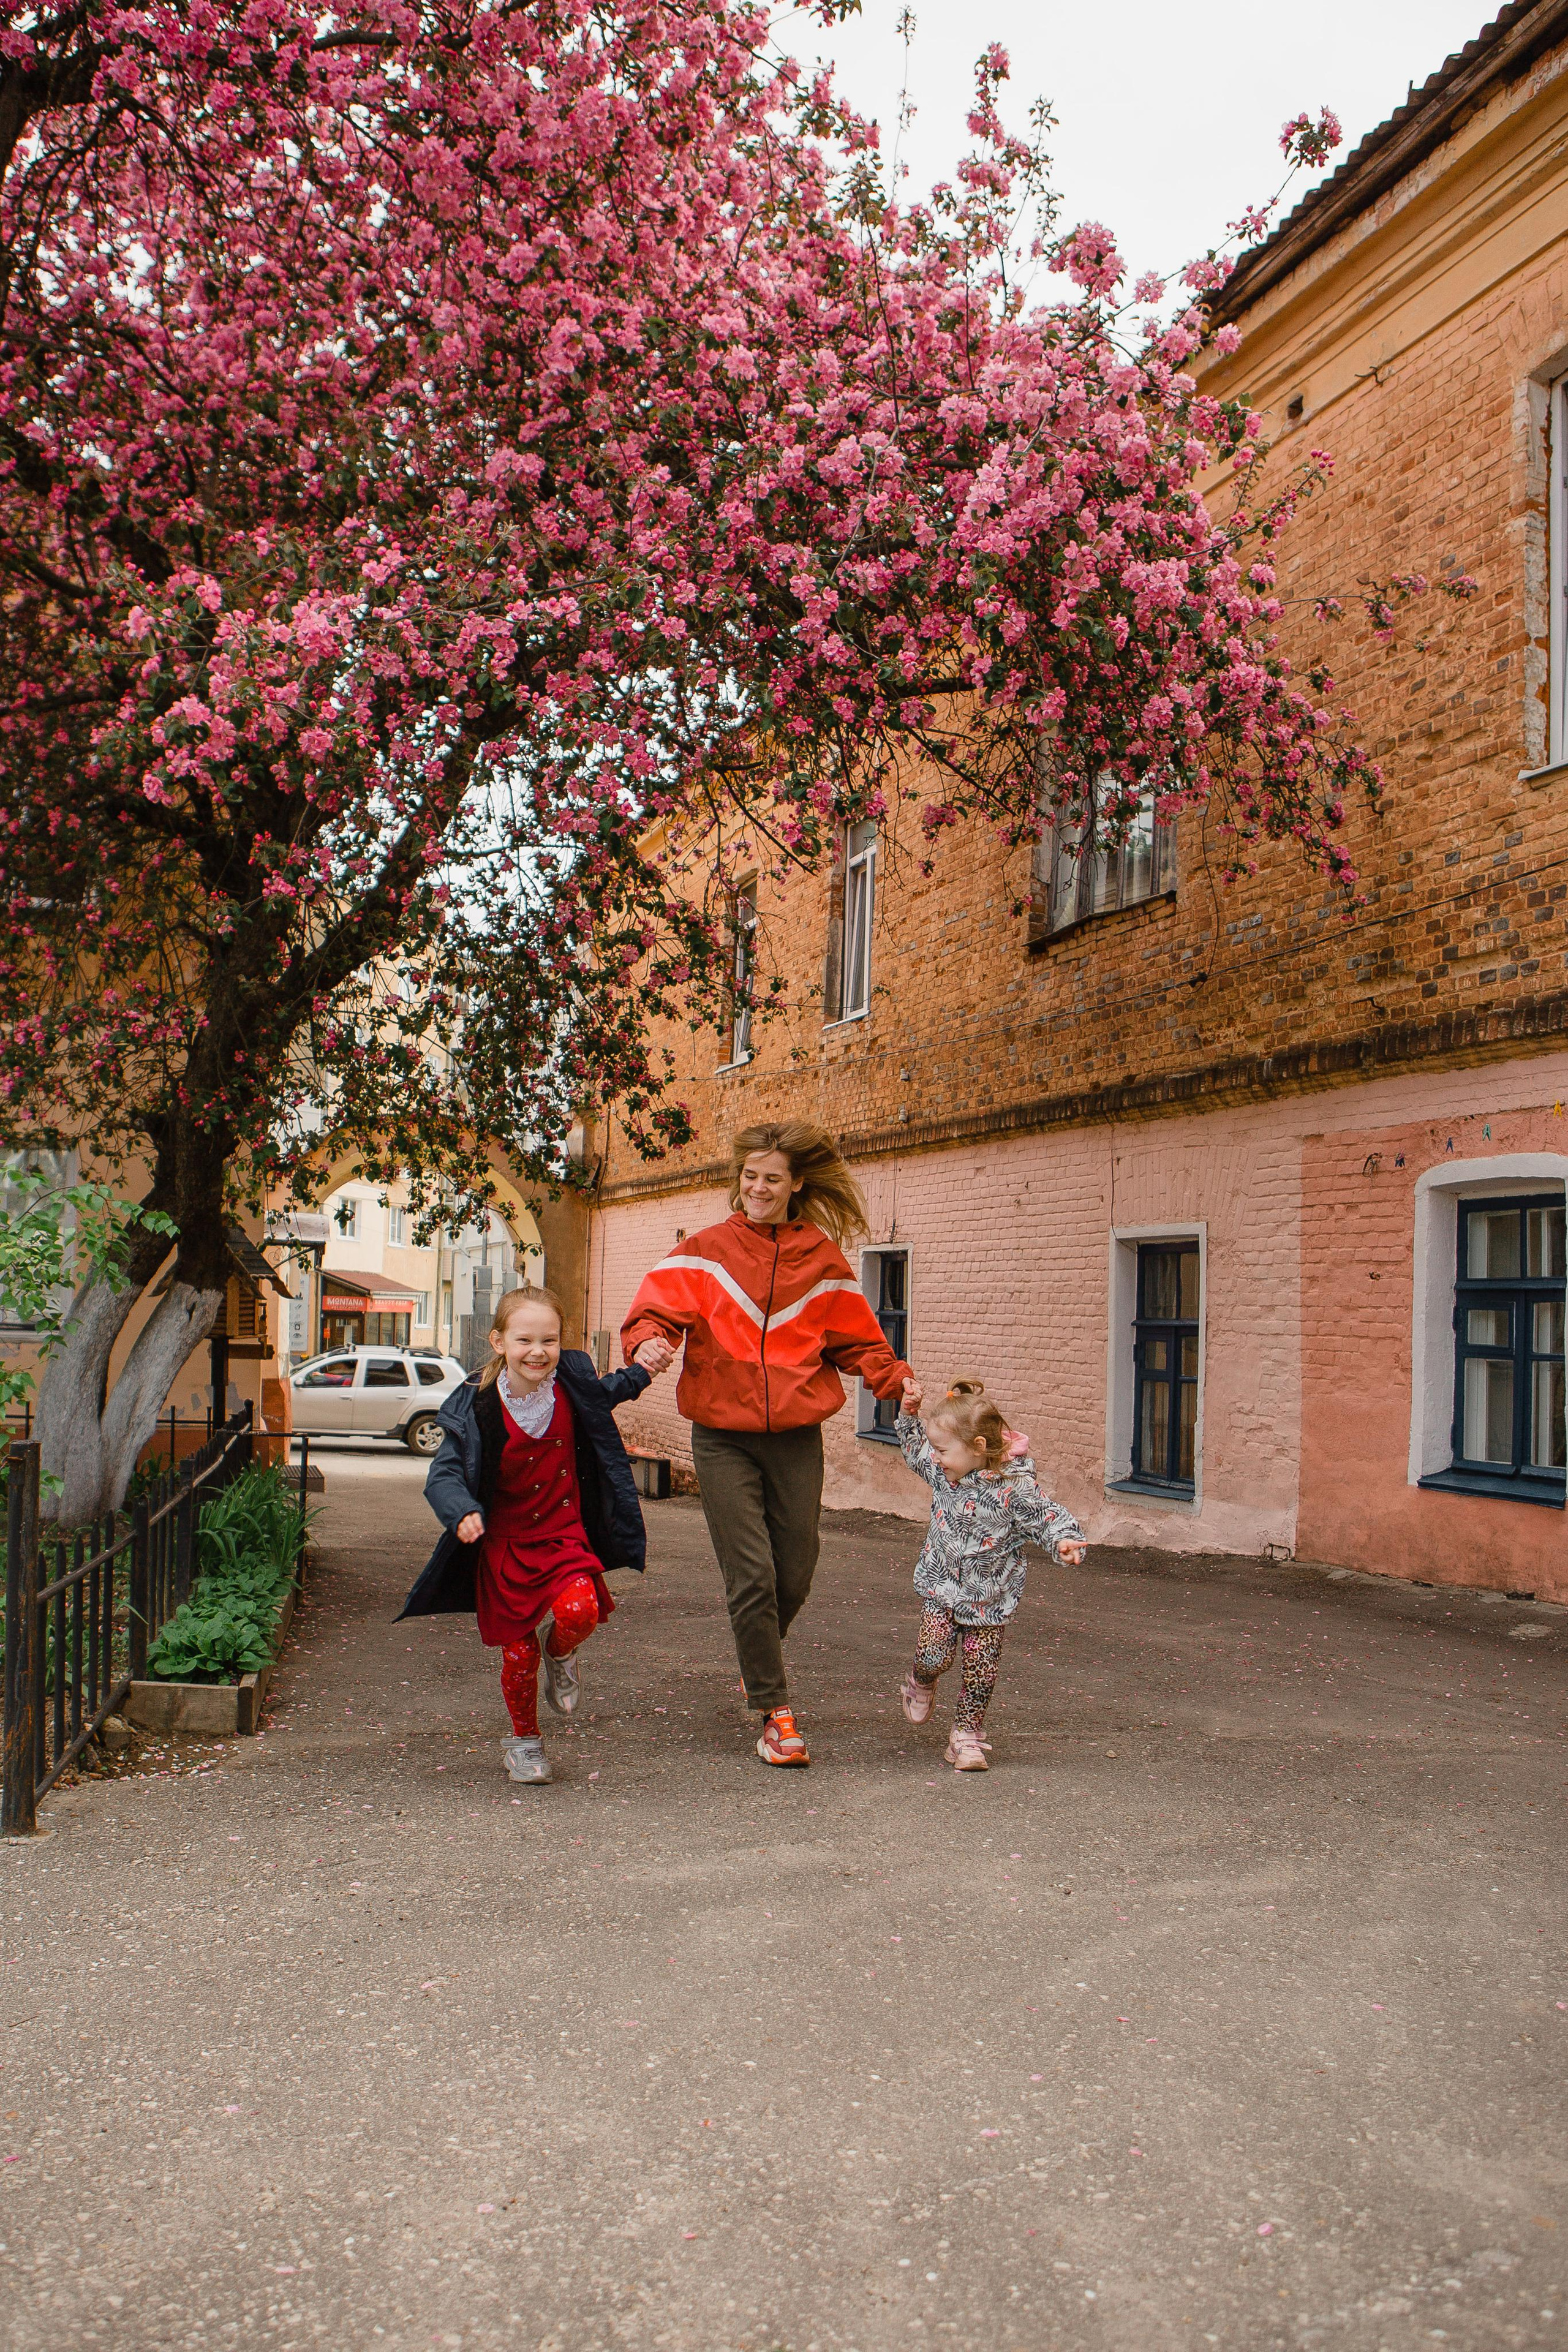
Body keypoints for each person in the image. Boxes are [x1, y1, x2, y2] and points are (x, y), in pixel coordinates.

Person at [620, 1120, 911, 1768]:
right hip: (722, 1438)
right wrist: (646, 1340)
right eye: (749, 1176)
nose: (756, 1187)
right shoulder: (705, 1252)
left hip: (795, 1438)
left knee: (796, 1570)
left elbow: (859, 1341)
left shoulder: (822, 1259)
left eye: (770, 1178)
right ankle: (775, 1713)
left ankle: (758, 1660)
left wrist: (896, 1380)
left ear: (795, 1184)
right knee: (751, 1574)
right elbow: (654, 1310)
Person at [397, 1283, 674, 1784]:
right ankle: (524, 1744)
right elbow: (444, 1473)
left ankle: (562, 1650)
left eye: (550, 1340)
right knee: (518, 1652)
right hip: (504, 1545)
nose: (538, 1352)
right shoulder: (475, 1404)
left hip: (564, 1535)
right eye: (525, 1340)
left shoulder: (570, 1383)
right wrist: (460, 1510)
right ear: (499, 1341)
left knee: (579, 1611)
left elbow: (612, 1390)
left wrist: (647, 1367)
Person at [894, 1375, 1086, 1772]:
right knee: (934, 1656)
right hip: (941, 1588)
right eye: (937, 1450)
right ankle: (920, 1679)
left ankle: (965, 1737)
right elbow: (915, 1450)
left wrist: (1064, 1540)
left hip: (990, 1598)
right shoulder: (943, 1473)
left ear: (979, 1448)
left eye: (944, 1450)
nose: (938, 1457)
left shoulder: (1014, 1487)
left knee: (981, 1670)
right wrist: (907, 1415)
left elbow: (1044, 1515)